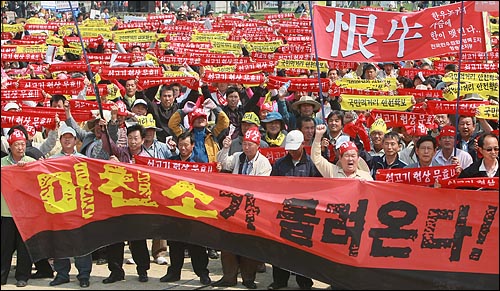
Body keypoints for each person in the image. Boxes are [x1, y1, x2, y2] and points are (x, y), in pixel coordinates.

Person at [214, 126, 272, 289]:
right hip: (234, 206)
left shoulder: (263, 163)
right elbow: (223, 162)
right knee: (228, 244)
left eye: (250, 144)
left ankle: (248, 279)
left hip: (251, 208)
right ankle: (229, 277)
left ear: (257, 145)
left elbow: (262, 185)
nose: (246, 147)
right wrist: (225, 148)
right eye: (244, 144)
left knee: (249, 245)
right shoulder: (238, 157)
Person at [268, 130, 320, 290]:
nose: (292, 151)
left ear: (303, 145)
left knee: (302, 251)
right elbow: (270, 186)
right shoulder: (280, 164)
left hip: (304, 214)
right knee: (281, 249)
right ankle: (279, 280)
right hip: (283, 213)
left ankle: (304, 282)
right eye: (289, 148)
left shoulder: (312, 164)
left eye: (295, 148)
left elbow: (320, 188)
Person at [100, 123, 151, 284]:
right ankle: (116, 271)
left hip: (138, 205)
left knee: (138, 240)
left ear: (143, 140)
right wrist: (104, 130)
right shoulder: (121, 153)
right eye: (130, 138)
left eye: (136, 138)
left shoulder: (148, 158)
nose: (133, 141)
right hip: (118, 204)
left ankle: (142, 270)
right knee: (115, 239)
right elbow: (109, 145)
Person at [159, 131, 212, 286]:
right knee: (175, 243)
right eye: (180, 145)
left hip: (194, 210)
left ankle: (203, 273)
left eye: (186, 145)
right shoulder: (171, 162)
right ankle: (174, 272)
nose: (183, 148)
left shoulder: (200, 163)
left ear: (193, 146)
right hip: (175, 209)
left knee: (197, 245)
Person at [47, 126, 92, 288]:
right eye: (64, 137)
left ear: (75, 140)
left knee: (81, 243)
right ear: (60, 140)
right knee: (60, 242)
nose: (67, 140)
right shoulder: (52, 161)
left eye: (70, 137)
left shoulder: (84, 160)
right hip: (60, 208)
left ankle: (84, 274)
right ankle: (62, 274)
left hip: (80, 208)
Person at [1, 129, 36, 288]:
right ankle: (2, 275)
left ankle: (23, 276)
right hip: (6, 211)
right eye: (17, 144)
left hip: (25, 213)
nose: (20, 148)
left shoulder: (31, 162)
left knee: (24, 247)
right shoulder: (2, 163)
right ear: (10, 146)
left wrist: (27, 168)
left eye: (22, 144)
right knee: (4, 246)